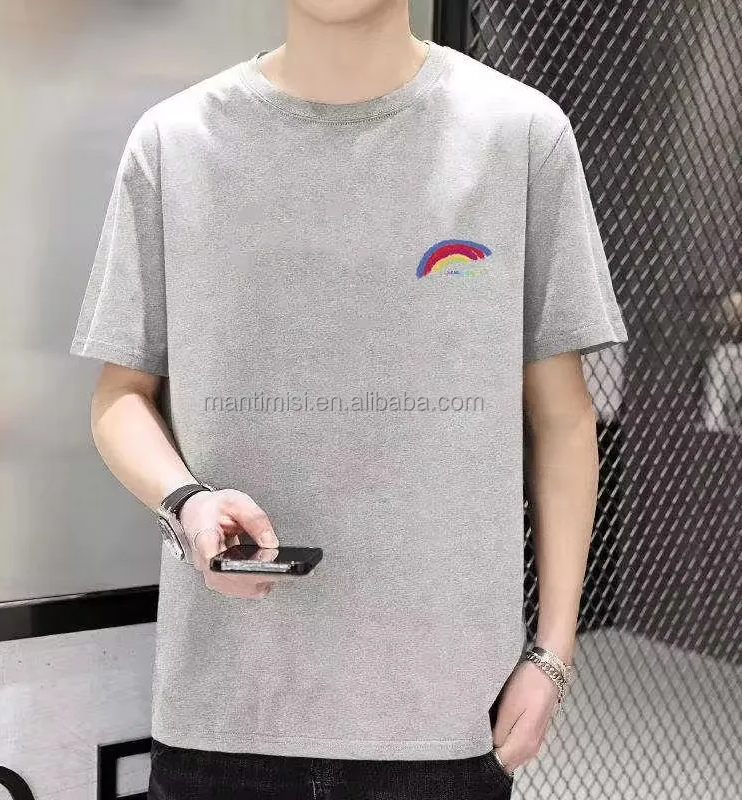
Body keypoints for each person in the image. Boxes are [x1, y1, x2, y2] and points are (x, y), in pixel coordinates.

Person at [69, 1, 628, 797]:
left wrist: (552, 653)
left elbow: (565, 419)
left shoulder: (520, 134)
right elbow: (120, 397)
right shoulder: (175, 142)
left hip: (445, 715)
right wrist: (186, 501)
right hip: (224, 708)